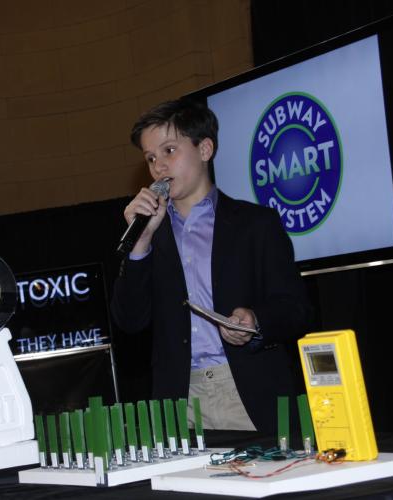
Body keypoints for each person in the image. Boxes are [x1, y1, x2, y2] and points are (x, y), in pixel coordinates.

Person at [111, 97, 312, 433]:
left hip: (245, 391)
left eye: (169, 151)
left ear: (204, 150)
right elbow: (129, 321)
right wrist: (142, 241)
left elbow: (296, 309)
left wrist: (255, 320)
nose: (159, 166)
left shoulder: (255, 224)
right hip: (179, 400)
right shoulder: (149, 235)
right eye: (150, 158)